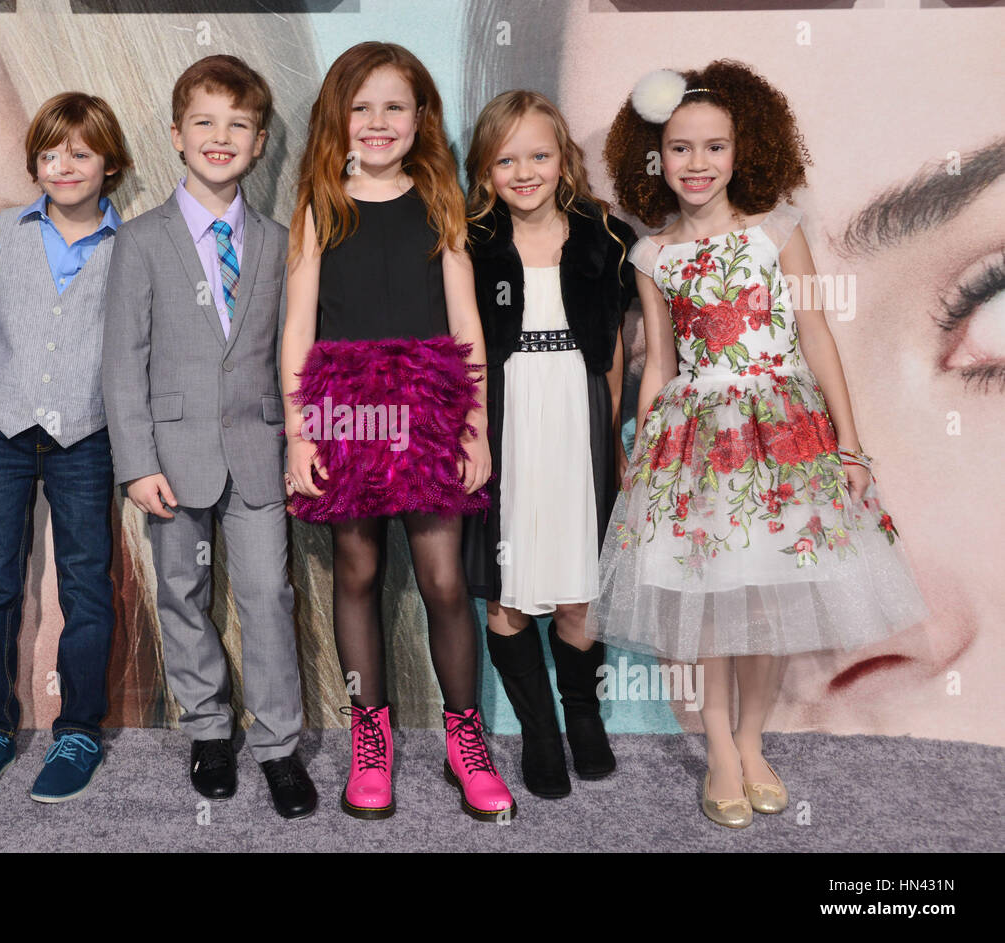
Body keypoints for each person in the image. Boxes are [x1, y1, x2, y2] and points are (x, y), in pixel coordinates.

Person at [590, 60, 929, 827]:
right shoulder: (653, 255)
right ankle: (717, 746)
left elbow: (815, 333)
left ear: (745, 151)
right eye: (680, 148)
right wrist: (639, 455)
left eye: (715, 146)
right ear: (655, 154)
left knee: (771, 602)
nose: (698, 163)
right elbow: (662, 367)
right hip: (695, 443)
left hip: (783, 436)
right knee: (710, 607)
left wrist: (849, 443)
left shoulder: (779, 231)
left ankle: (751, 741)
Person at [281, 41, 515, 822]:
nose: (377, 122)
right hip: (343, 406)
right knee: (355, 570)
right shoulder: (320, 204)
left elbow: (467, 322)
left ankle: (465, 738)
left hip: (429, 402)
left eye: (395, 107)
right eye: (361, 107)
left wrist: (475, 426)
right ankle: (369, 739)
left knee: (444, 579)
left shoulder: (442, 203)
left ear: (421, 119)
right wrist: (298, 431)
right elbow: (298, 326)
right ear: (336, 119)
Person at [101, 55, 318, 821]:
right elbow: (123, 361)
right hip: (170, 459)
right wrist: (135, 463)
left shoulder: (278, 241)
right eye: (205, 123)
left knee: (267, 593)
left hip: (257, 455)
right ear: (176, 136)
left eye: (239, 125)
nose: (220, 138)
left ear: (260, 142)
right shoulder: (140, 240)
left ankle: (279, 744)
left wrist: (300, 437)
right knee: (183, 592)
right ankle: (207, 730)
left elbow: (291, 353)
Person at [0, 92, 132, 804]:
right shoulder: (3, 231)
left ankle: (79, 728)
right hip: (1, 425)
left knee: (86, 583)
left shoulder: (130, 243)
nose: (63, 165)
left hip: (86, 433)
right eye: (50, 153)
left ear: (109, 163)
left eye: (80, 153)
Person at [462, 90, 635, 798]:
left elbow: (617, 351)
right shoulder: (471, 241)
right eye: (507, 159)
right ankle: (538, 731)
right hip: (504, 412)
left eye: (539, 154)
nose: (524, 171)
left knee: (579, 579)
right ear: (485, 169)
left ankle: (582, 718)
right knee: (506, 585)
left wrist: (612, 431)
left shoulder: (604, 235)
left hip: (577, 412)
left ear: (564, 158)